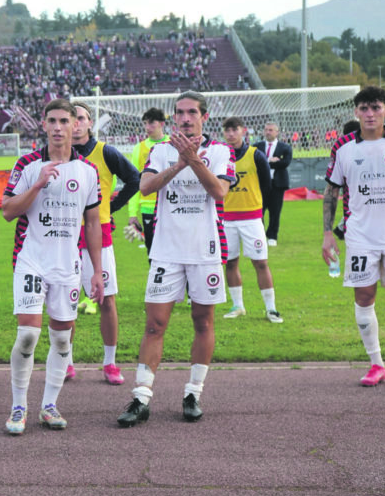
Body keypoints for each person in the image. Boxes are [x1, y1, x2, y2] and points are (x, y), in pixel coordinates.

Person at [117, 91, 235, 427]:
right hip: (166, 250)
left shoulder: (221, 151)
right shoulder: (160, 150)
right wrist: (180, 161)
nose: (185, 118)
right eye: (180, 113)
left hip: (205, 250)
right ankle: (141, 397)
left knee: (203, 322)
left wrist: (194, 159)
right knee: (154, 325)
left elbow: (219, 191)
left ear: (204, 116)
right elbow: (146, 187)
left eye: (192, 112)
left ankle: (193, 393)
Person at [1, 98, 105, 436]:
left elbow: (93, 224)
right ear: (43, 125)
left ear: (77, 125)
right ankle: (19, 406)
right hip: (31, 260)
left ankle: (49, 405)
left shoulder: (88, 172)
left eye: (65, 121)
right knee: (28, 335)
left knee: (62, 341)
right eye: (52, 121)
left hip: (67, 266)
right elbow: (8, 211)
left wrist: (97, 271)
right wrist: (37, 184)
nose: (59, 127)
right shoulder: (28, 164)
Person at [321, 86, 385, 387]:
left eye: (375, 107)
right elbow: (331, 191)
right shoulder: (345, 147)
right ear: (356, 112)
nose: (370, 113)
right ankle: (377, 364)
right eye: (364, 108)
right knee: (364, 296)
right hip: (360, 236)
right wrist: (327, 233)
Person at [68, 100, 139, 385]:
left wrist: (112, 207)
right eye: (71, 118)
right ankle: (66, 362)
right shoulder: (55, 154)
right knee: (65, 302)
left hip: (100, 234)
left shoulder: (105, 152)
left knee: (107, 299)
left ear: (89, 123)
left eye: (81, 118)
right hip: (63, 235)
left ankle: (110, 363)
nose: (76, 123)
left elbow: (134, 179)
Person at [220, 117, 282, 323]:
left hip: (251, 219)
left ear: (243, 131)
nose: (231, 134)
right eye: (227, 130)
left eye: (234, 129)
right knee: (230, 263)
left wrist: (254, 206)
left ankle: (271, 309)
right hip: (226, 219)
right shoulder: (220, 156)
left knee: (261, 263)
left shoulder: (256, 155)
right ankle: (238, 306)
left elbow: (266, 186)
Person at [127, 108, 169, 254]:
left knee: (175, 252)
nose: (147, 127)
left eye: (151, 123)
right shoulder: (139, 148)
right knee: (152, 252)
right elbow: (134, 182)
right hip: (148, 207)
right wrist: (133, 213)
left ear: (162, 124)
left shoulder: (174, 144)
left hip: (171, 206)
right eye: (145, 123)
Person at [254, 122, 291, 246]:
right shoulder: (256, 146)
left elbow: (284, 163)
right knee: (259, 211)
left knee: (275, 211)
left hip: (278, 184)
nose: (268, 132)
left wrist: (263, 160)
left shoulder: (285, 147)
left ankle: (272, 236)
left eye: (270, 130)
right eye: (266, 129)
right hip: (260, 184)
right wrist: (269, 160)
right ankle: (260, 235)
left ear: (277, 132)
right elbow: (255, 162)